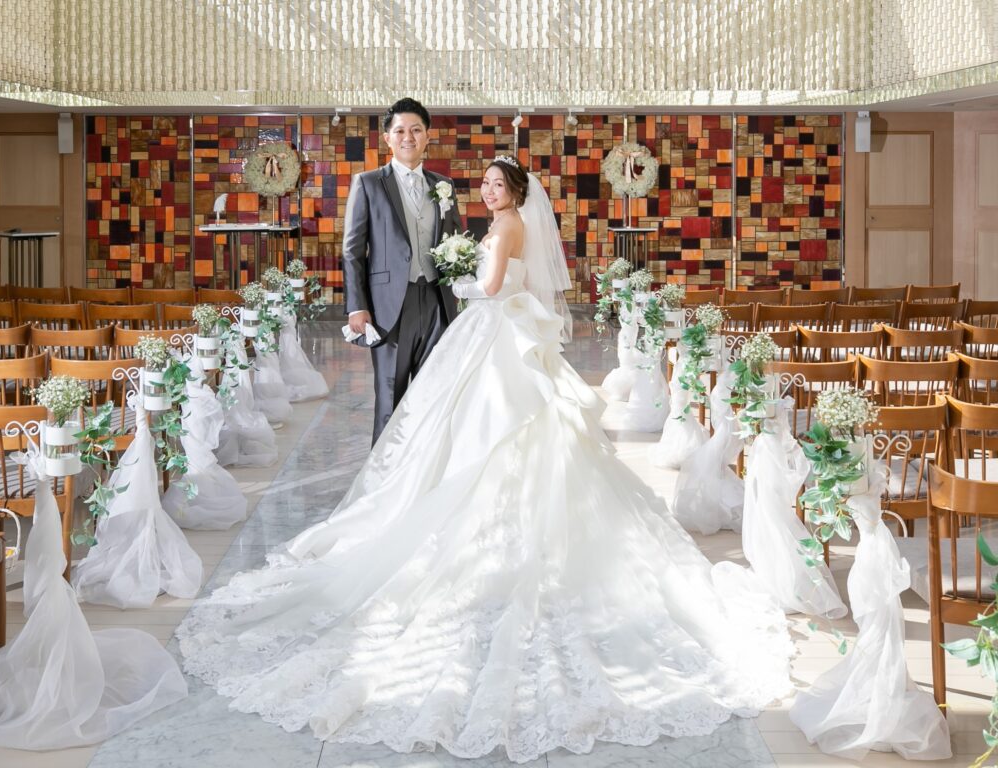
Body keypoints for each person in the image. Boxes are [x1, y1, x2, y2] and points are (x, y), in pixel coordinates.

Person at [178, 157, 792, 764]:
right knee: (470, 426)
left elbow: (494, 288)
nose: (489, 191)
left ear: (517, 191)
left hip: (495, 333)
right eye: (487, 185)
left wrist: (458, 279)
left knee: (496, 425)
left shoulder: (507, 226)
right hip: (494, 335)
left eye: (499, 185)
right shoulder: (504, 225)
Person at [342, 97, 463, 444]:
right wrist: (356, 306)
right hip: (389, 307)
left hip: (438, 303)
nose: (408, 137)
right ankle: (382, 472)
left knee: (433, 395)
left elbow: (455, 242)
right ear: (387, 138)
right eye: (400, 131)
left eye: (416, 130)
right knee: (389, 397)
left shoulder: (444, 186)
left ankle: (423, 469)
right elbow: (352, 250)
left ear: (427, 137)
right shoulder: (368, 183)